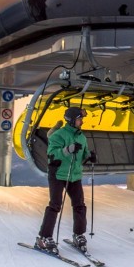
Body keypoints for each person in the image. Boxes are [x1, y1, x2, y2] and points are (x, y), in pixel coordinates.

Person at [36, 107, 97, 254]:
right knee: (55, 205)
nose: (81, 121)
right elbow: (52, 154)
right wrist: (67, 150)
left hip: (74, 175)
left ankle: (79, 234)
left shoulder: (81, 137)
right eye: (79, 119)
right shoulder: (58, 135)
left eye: (81, 119)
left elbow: (82, 155)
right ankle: (44, 237)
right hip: (58, 174)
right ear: (71, 120)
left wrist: (89, 156)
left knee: (80, 205)